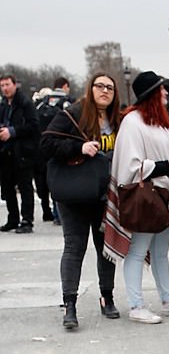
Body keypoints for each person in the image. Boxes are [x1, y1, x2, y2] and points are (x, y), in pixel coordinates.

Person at [107, 71, 169, 324]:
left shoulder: (158, 122)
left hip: (163, 196)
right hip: (145, 198)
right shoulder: (132, 122)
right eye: (161, 89)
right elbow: (130, 167)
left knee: (160, 252)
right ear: (152, 94)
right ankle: (136, 305)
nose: (166, 93)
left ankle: (167, 299)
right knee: (137, 251)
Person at [40, 74, 121, 329]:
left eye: (109, 87)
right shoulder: (73, 114)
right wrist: (79, 149)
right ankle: (70, 305)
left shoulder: (118, 119)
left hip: (104, 193)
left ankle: (106, 297)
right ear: (90, 89)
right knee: (74, 247)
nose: (105, 91)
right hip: (75, 192)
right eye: (100, 86)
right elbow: (47, 143)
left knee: (105, 249)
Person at [0, 74, 39, 233]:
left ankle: (27, 220)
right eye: (2, 86)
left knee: (25, 187)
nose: (5, 88)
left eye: (7, 85)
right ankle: (13, 218)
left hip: (23, 151)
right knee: (7, 187)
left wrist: (13, 131)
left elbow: (34, 126)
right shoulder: (3, 105)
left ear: (15, 85)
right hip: (5, 151)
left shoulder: (25, 103)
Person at [34, 77, 71, 223]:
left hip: (42, 147)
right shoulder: (66, 102)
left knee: (46, 181)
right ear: (65, 86)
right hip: (62, 146)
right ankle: (59, 214)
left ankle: (48, 211)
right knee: (62, 180)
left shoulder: (42, 103)